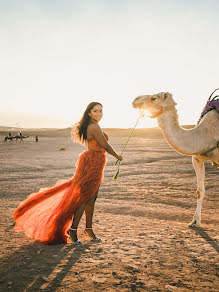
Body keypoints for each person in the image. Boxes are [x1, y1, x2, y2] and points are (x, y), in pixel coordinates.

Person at [13, 102, 122, 245]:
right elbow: (105, 145)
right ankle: (73, 230)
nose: (99, 114)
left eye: (101, 111)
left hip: (96, 161)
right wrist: (117, 156)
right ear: (89, 113)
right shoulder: (94, 126)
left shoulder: (93, 125)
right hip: (94, 162)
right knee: (84, 197)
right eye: (96, 111)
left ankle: (88, 230)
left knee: (92, 198)